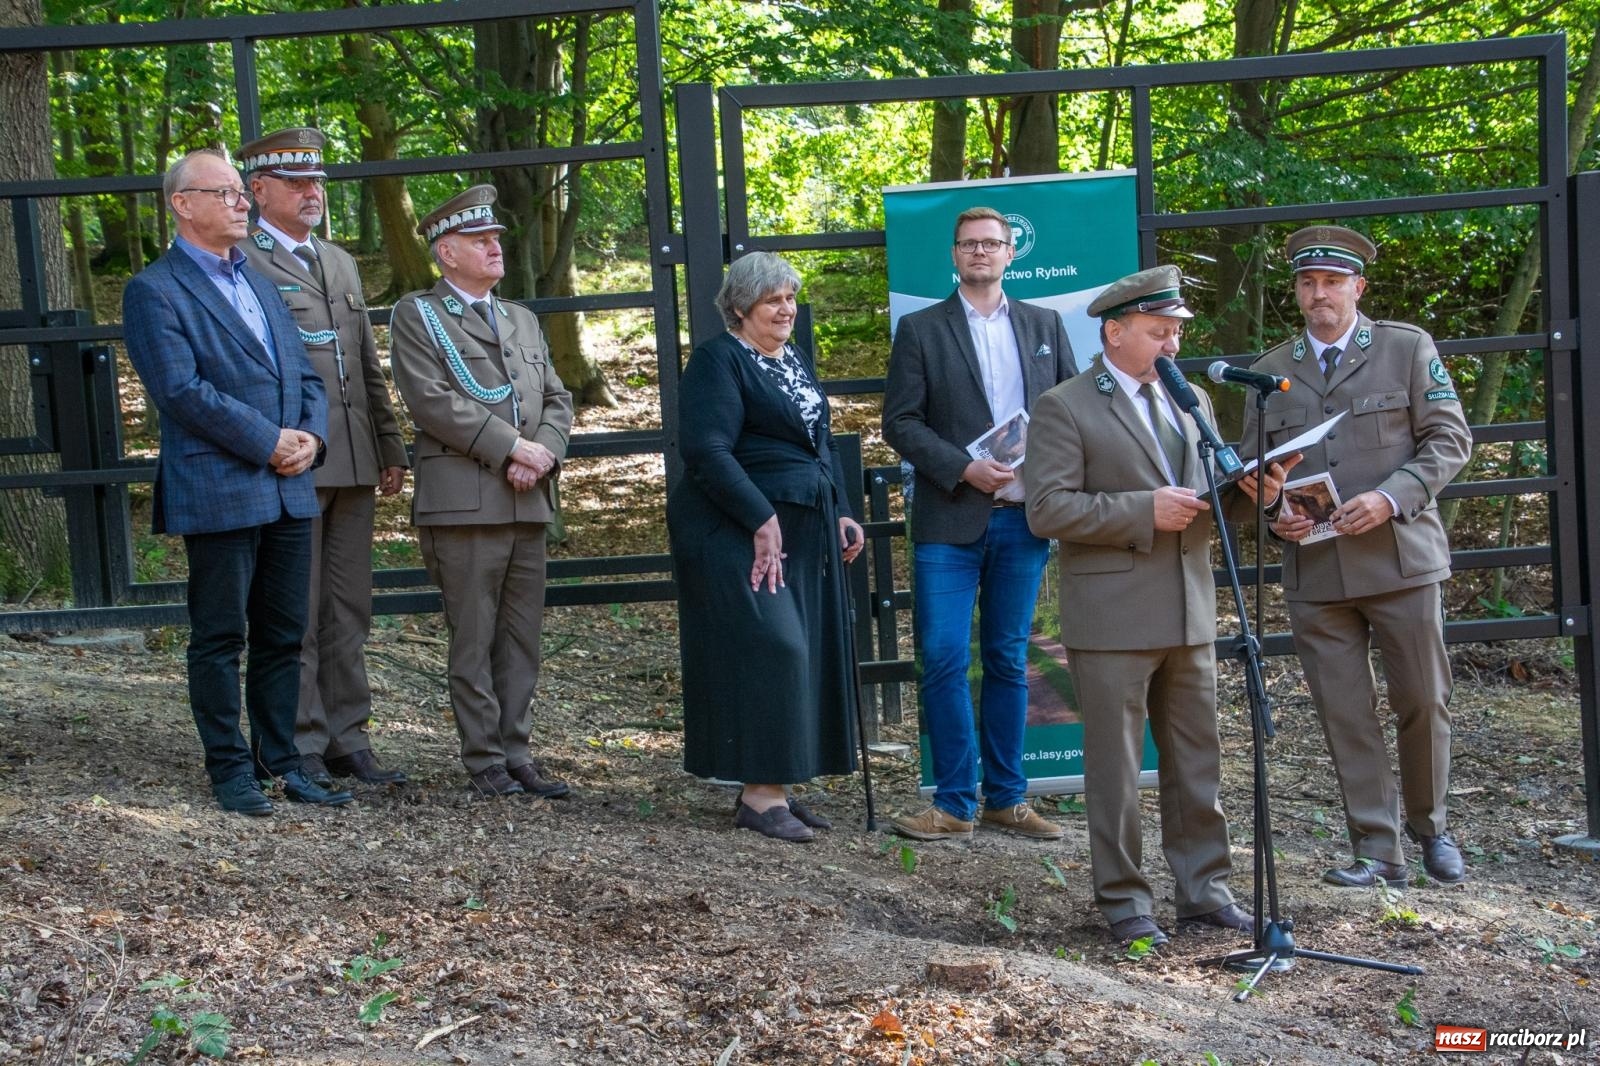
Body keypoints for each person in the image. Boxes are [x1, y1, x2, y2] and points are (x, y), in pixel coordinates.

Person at [1026, 265, 1293, 946]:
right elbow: (1047, 508)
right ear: (1115, 333)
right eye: (1157, 331)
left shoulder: (1192, 399)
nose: (1172, 344)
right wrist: (1143, 509)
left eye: (1175, 331)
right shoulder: (1067, 404)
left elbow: (1207, 494)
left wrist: (1249, 494)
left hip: (1189, 609)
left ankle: (1205, 892)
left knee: (1197, 761)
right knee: (1115, 771)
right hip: (1113, 616)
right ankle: (1125, 903)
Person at [1239, 226, 1472, 887]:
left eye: (1333, 283)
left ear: (1358, 289)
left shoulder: (1404, 349)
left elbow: (1450, 441)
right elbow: (1255, 474)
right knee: (1345, 711)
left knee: (1423, 699)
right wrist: (1272, 511)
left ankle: (1430, 828)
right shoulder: (1271, 368)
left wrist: (1392, 499)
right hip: (1317, 570)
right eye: (1308, 284)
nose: (1320, 295)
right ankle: (1377, 848)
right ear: (1297, 293)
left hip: (1400, 557)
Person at [122, 148, 352, 815]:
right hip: (220, 485)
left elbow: (304, 373)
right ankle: (229, 771)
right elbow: (179, 391)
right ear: (182, 203)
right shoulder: (154, 290)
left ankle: (281, 763)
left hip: (288, 485)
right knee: (222, 637)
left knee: (284, 634)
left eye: (239, 194)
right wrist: (268, 440)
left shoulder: (256, 279)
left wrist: (311, 436)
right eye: (223, 193)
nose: (241, 203)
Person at [881, 205, 1075, 842]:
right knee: (940, 658)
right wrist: (963, 469)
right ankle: (955, 803)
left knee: (1008, 659)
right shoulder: (921, 328)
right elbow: (900, 422)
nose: (981, 253)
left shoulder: (1044, 324)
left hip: (1023, 520)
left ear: (1010, 252)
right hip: (948, 520)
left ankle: (1007, 799)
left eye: (992, 243)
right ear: (954, 254)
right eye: (969, 244)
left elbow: (1073, 413)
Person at [668, 252, 865, 843]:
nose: (786, 309)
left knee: (803, 649)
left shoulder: (793, 361)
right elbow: (706, 450)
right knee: (774, 645)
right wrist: (759, 517)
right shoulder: (717, 361)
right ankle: (759, 798)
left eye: (790, 298)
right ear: (739, 307)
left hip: (804, 521)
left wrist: (843, 511)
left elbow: (818, 443)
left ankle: (778, 781)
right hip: (731, 525)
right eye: (773, 300)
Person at [236, 127, 410, 789]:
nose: (313, 194)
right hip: (293, 459)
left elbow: (364, 362)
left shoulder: (337, 261)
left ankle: (347, 737)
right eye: (297, 183)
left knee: (349, 606)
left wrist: (389, 444)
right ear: (259, 191)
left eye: (317, 183)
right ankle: (297, 740)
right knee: (295, 609)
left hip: (356, 460)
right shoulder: (245, 261)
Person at [389, 185, 574, 800]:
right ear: (447, 253)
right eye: (480, 240)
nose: (495, 247)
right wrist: (511, 448)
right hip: (465, 501)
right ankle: (484, 757)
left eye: (495, 238)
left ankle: (518, 752)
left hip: (527, 498)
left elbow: (556, 398)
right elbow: (430, 400)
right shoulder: (418, 315)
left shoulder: (521, 317)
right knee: (473, 635)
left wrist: (541, 452)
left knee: (521, 638)